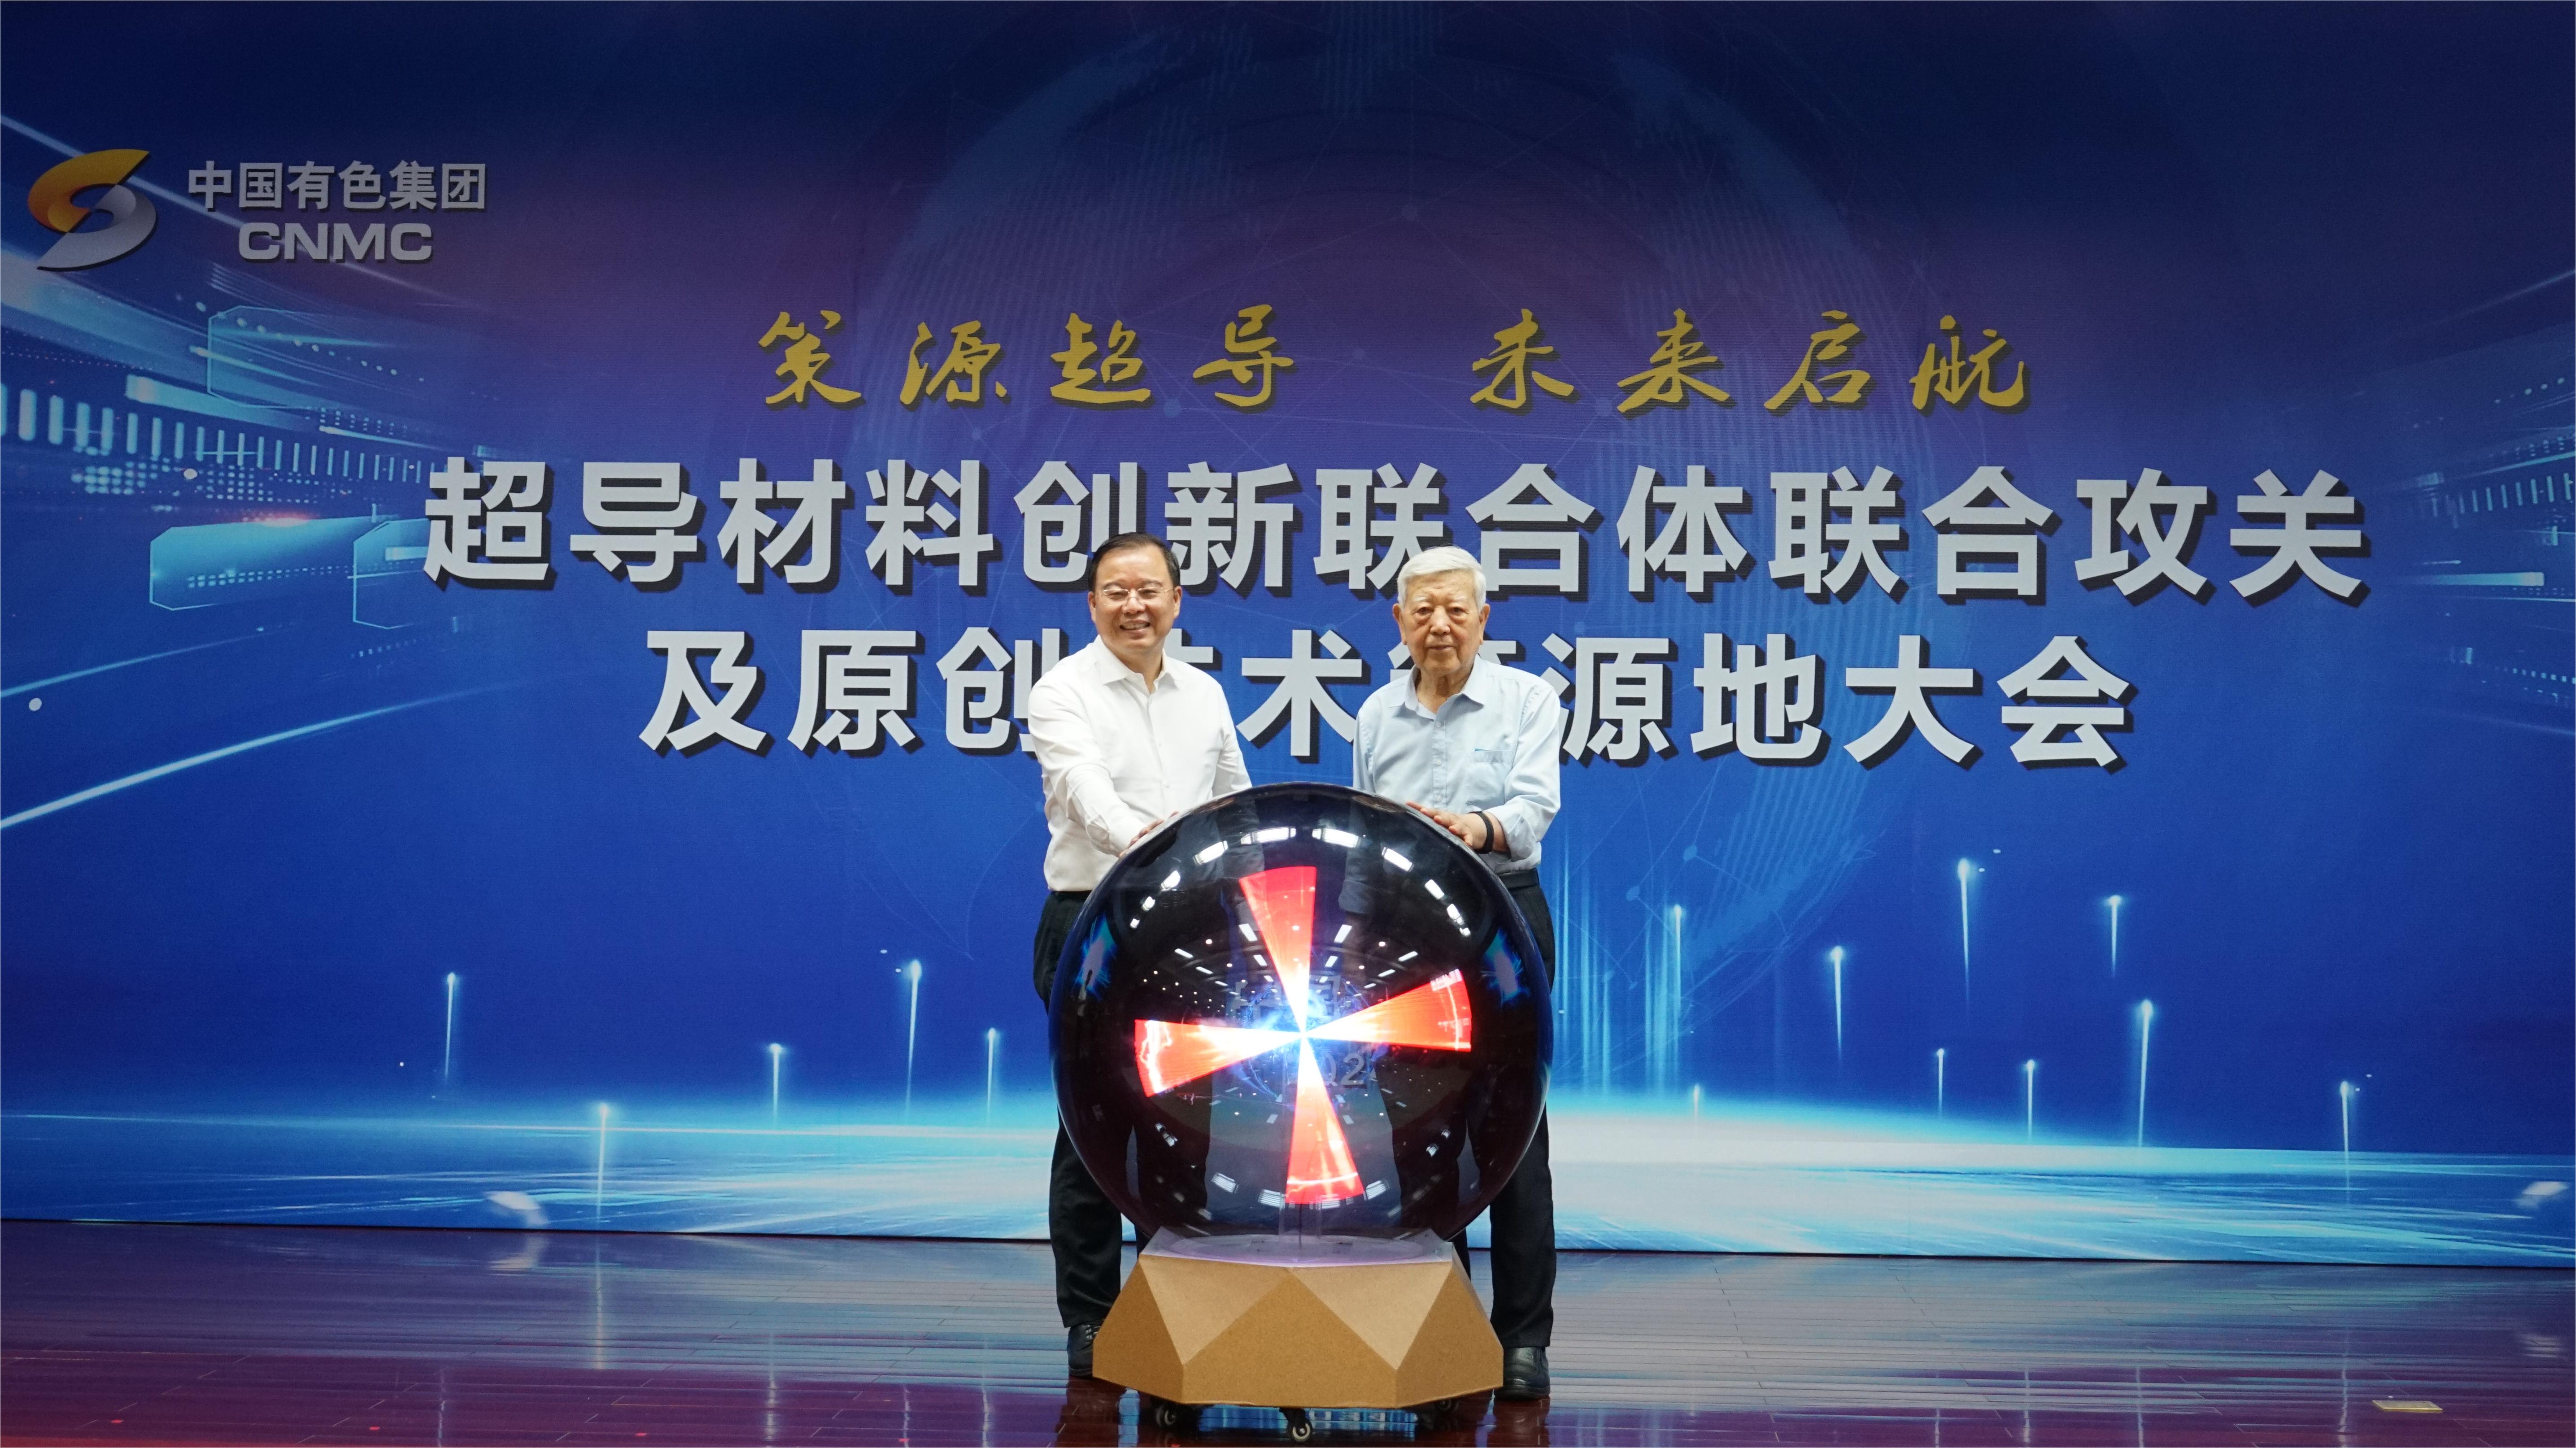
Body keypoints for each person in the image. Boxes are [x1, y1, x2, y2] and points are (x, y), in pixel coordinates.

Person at [1024, 531, 1251, 1378]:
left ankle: (1176, 1308)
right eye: (1116, 591)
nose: (1134, 606)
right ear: (1092, 604)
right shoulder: (1063, 690)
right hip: (1095, 921)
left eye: (1149, 590)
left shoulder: (1205, 693)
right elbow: (1086, 795)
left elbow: (1234, 800)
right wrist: (1158, 853)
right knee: (1093, 1125)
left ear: (1176, 600)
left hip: (1191, 932)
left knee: (1188, 1123)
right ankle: (1091, 1318)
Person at [1350, 544, 1565, 1401]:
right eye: (1423, 610)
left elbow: (1534, 808)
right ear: (1400, 622)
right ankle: (1447, 1331)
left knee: (1514, 1133)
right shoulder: (1376, 713)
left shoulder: (1529, 699)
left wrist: (1473, 827)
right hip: (1406, 936)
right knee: (1420, 1132)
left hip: (1502, 920)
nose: (1440, 625)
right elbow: (1365, 841)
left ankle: (1522, 1341)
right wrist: (1356, 947)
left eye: (1456, 609)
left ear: (1484, 618)